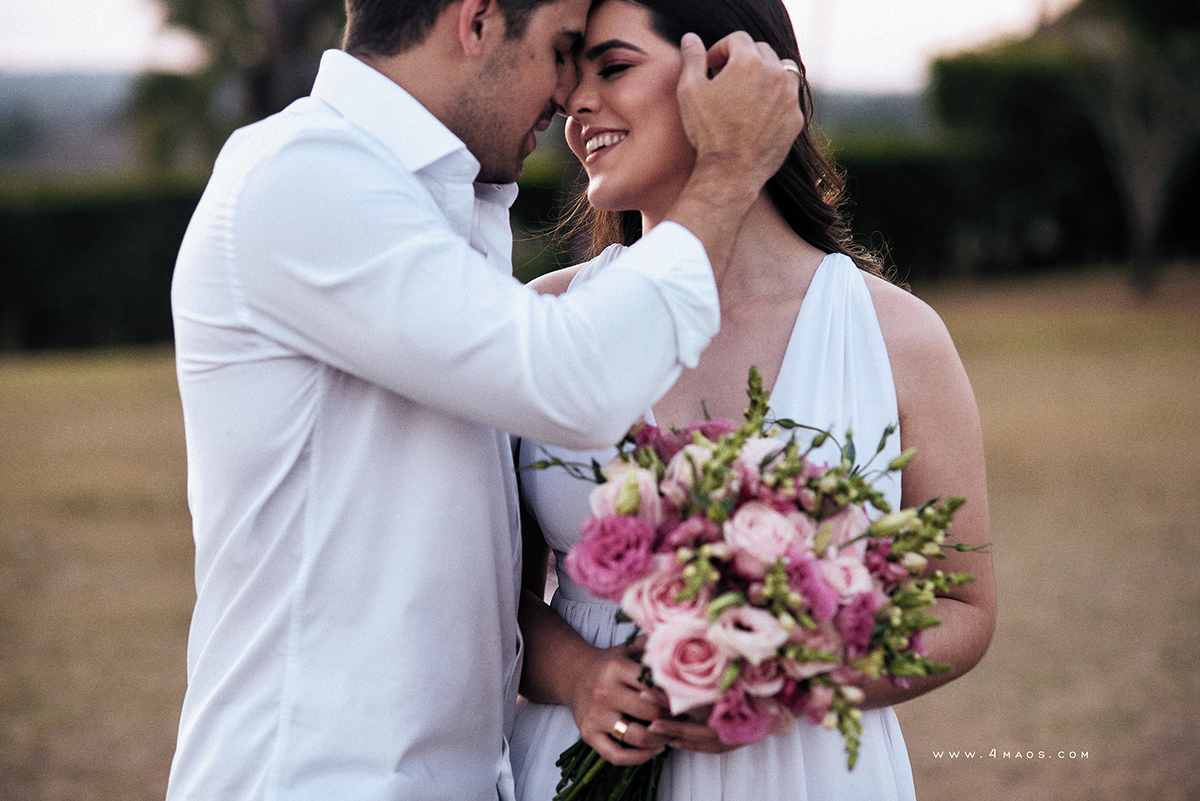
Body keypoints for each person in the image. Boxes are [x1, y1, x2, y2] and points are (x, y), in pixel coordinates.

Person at [163, 0, 807, 797]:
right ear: (476, 22)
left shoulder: (436, 196)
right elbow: (577, 383)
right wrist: (729, 172)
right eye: (563, 49)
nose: (570, 90)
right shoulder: (303, 175)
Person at [512, 0, 997, 798]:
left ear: (734, 72)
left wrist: (785, 683)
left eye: (614, 67)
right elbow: (493, 594)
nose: (574, 103)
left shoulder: (898, 337)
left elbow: (962, 603)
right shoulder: (543, 324)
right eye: (572, 79)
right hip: (578, 764)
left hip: (808, 772)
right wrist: (579, 675)